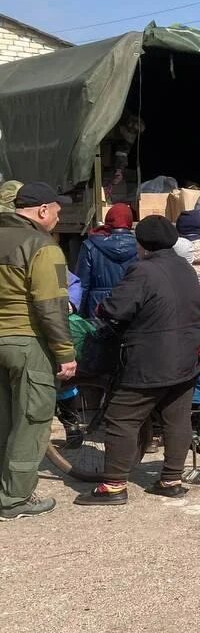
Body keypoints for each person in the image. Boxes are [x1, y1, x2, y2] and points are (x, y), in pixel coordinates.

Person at [73, 215, 200, 506]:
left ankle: (113, 486)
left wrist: (102, 308)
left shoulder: (143, 270)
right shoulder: (184, 267)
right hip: (188, 355)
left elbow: (115, 308)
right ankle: (171, 480)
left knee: (121, 418)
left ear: (142, 243)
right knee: (177, 418)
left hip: (151, 359)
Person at [0, 184, 75, 521]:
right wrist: (65, 354)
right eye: (57, 212)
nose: (58, 220)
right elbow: (51, 307)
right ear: (43, 210)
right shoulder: (43, 247)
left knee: (3, 418)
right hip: (24, 341)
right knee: (32, 419)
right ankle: (14, 499)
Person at [75, 202, 137, 317]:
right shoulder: (139, 247)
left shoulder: (90, 245)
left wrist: (78, 314)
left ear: (108, 220)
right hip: (129, 306)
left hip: (97, 307)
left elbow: (82, 285)